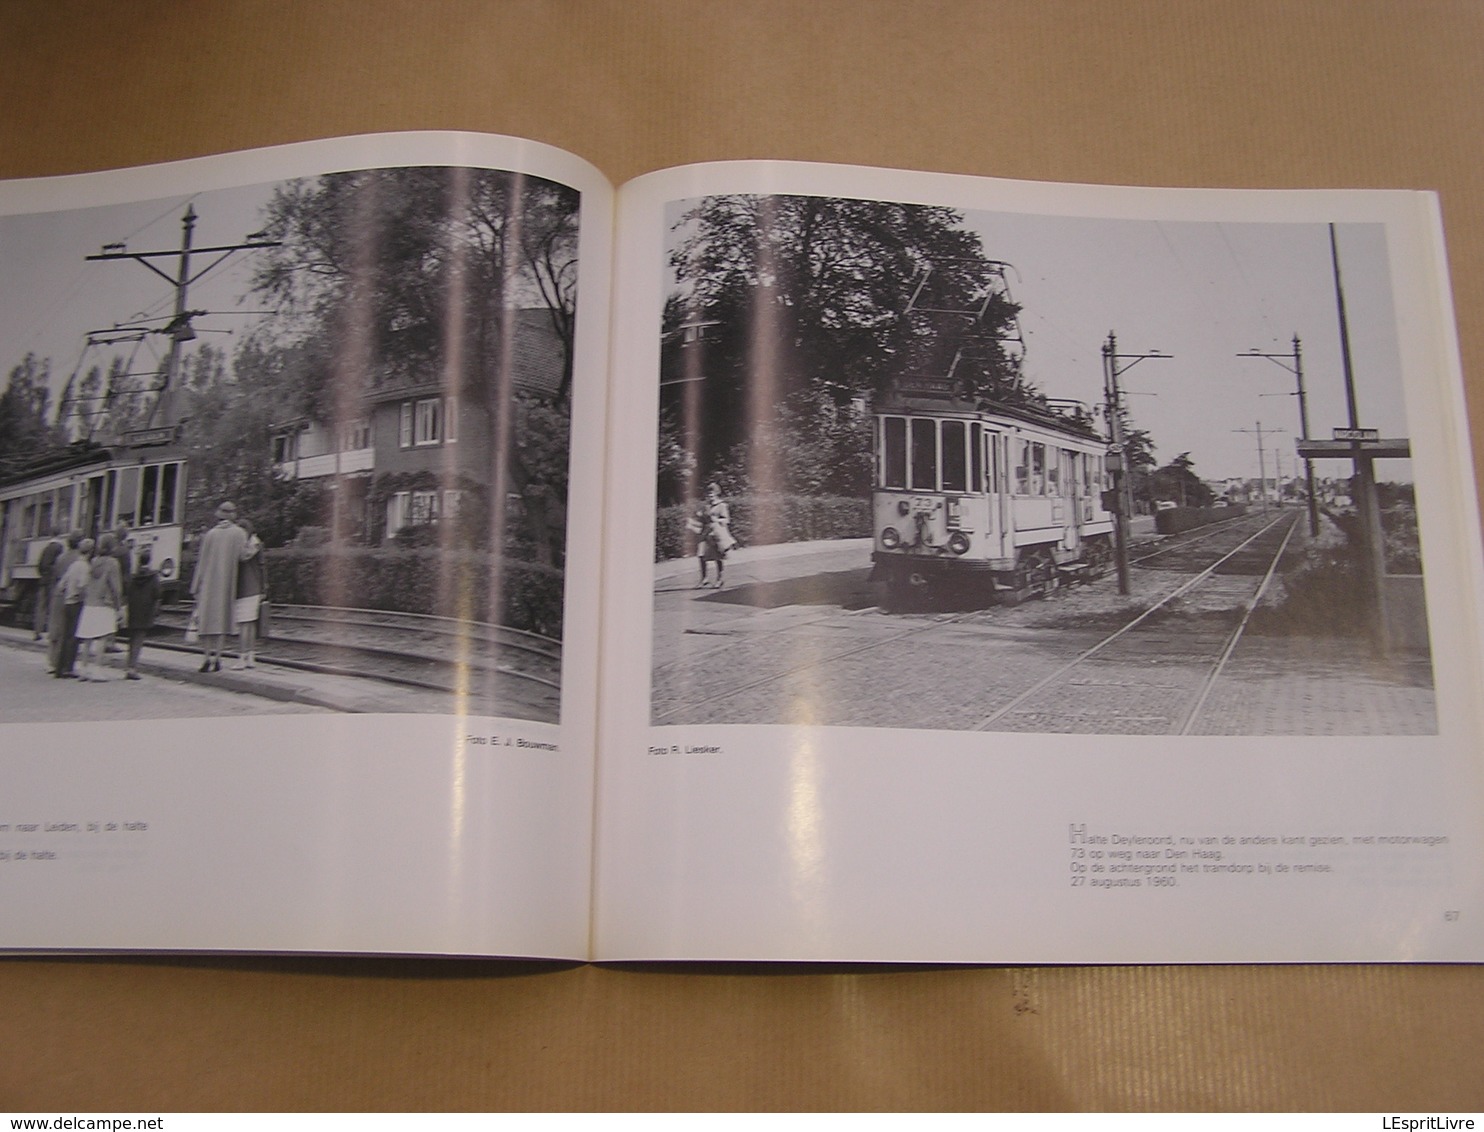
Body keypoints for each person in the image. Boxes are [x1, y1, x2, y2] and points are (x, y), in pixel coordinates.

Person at [191, 501, 247, 673]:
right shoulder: (239, 533)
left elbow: (202, 561)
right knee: (222, 621)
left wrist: (195, 586)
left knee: (207, 622)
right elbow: (243, 556)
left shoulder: (210, 534)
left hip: (209, 582)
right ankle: (218, 658)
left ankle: (206, 657)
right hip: (227, 582)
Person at [76, 541, 123, 682]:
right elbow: (116, 588)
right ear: (111, 548)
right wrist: (119, 606)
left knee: (88, 638)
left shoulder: (94, 561)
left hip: (89, 603)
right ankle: (97, 669)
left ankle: (83, 669)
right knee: (102, 638)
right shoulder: (113, 563)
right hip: (104, 604)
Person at [53, 537, 92, 679]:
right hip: (76, 604)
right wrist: (83, 598)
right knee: (73, 637)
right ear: (90, 552)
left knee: (65, 636)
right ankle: (68, 668)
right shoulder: (85, 567)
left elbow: (61, 585)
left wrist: (67, 594)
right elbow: (82, 586)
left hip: (67, 603)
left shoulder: (74, 565)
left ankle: (59, 667)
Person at [123, 545, 162, 681]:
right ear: (149, 561)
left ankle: (129, 666)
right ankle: (132, 668)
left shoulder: (132, 577)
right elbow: (157, 594)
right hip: (146, 611)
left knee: (131, 640)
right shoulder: (153, 577)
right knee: (139, 640)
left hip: (133, 610)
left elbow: (127, 591)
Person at [46, 532, 82, 672]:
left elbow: (54, 575)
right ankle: (61, 663)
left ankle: (51, 660)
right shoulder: (78, 560)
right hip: (69, 596)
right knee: (66, 630)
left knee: (55, 627)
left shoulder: (61, 557)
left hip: (57, 594)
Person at [233, 517, 265, 669]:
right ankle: (251, 656)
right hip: (256, 588)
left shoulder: (240, 549)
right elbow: (262, 567)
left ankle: (242, 657)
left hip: (243, 589)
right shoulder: (257, 544)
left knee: (243, 625)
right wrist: (264, 588)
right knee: (251, 624)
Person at [694, 481, 734, 589]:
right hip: (705, 532)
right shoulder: (705, 506)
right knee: (701, 555)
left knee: (718, 556)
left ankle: (720, 579)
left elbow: (726, 520)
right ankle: (704, 579)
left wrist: (716, 519)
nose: (709, 495)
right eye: (708, 494)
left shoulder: (722, 505)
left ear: (716, 493)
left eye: (711, 493)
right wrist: (700, 516)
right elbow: (702, 518)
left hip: (716, 533)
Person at [33, 534, 64, 641]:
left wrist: (43, 575)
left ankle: (37, 632)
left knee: (41, 607)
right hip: (52, 581)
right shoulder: (59, 547)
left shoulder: (45, 548)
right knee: (52, 607)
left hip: (43, 581)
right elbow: (59, 564)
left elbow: (40, 565)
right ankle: (51, 633)